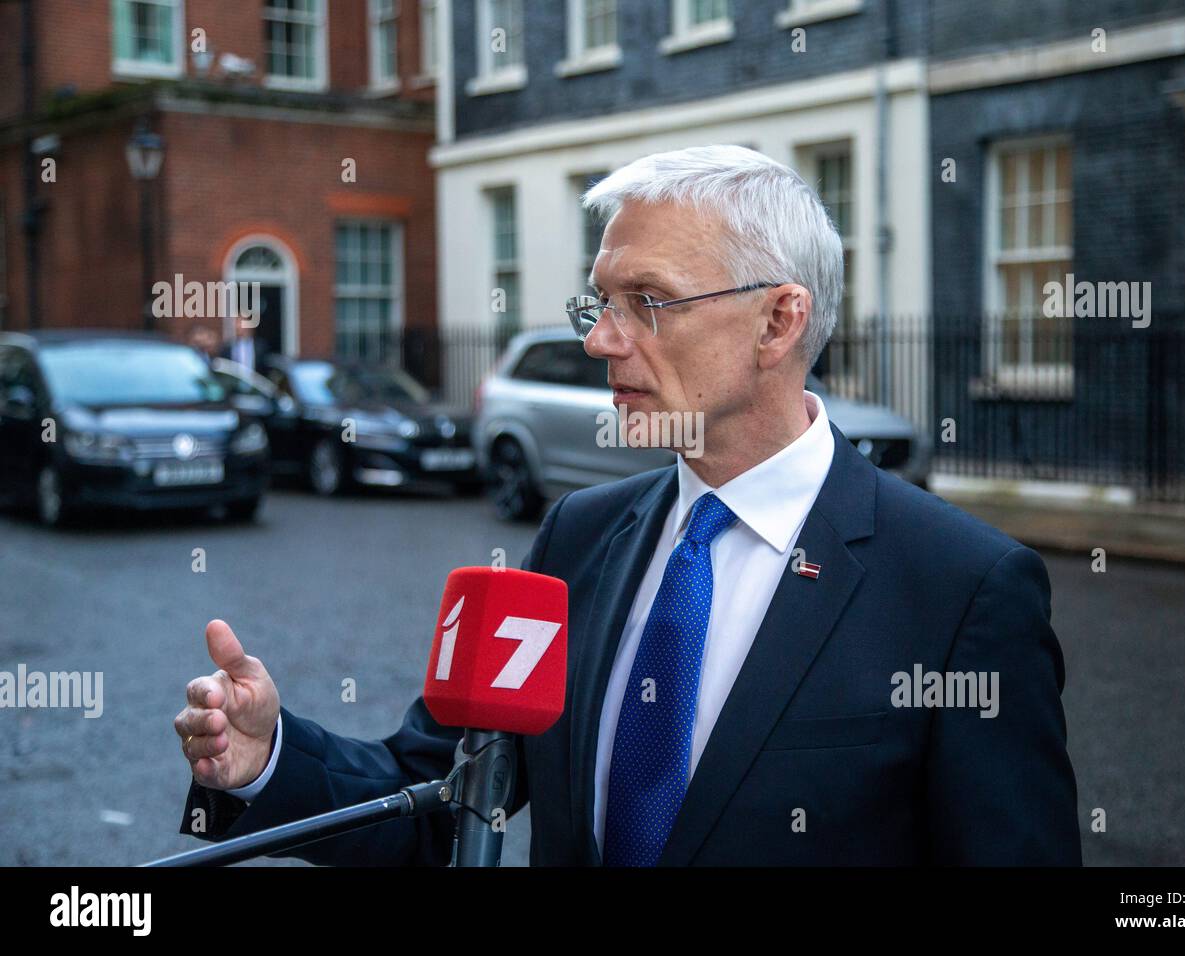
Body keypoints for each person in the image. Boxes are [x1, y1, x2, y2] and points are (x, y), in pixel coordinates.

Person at [173, 145, 1082, 865]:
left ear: (779, 321)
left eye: (648, 303)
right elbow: (443, 799)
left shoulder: (963, 590)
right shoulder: (578, 537)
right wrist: (267, 760)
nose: (604, 341)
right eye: (599, 303)